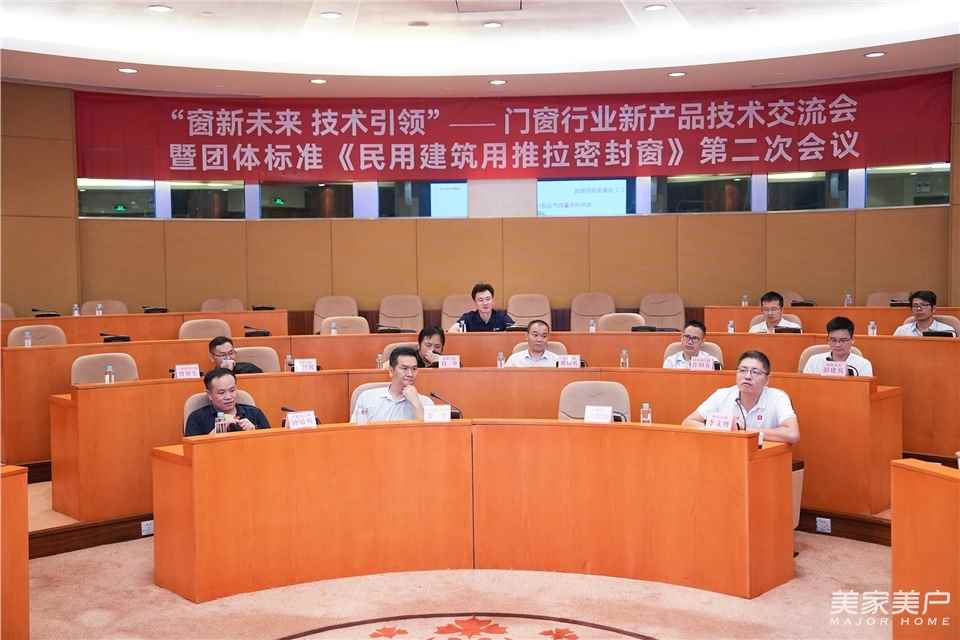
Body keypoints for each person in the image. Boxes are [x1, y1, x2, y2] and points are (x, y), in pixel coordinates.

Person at [682, 350, 799, 444]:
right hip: (726, 453)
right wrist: (716, 429)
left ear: (767, 380)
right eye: (743, 370)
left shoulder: (778, 398)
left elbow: (792, 434)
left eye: (755, 372)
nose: (747, 376)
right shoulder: (722, 394)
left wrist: (743, 430)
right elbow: (688, 422)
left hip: (763, 458)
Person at [351, 346, 434, 424]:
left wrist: (416, 403)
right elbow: (355, 430)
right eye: (404, 368)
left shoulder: (425, 402)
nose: (410, 374)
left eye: (414, 369)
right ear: (391, 371)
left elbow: (429, 432)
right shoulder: (367, 397)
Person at [184, 368, 270, 437]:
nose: (228, 397)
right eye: (221, 393)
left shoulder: (254, 413)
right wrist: (213, 435)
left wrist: (254, 431)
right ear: (209, 394)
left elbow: (270, 443)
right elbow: (192, 450)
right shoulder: (196, 418)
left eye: (232, 390)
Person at [803, 316, 874, 376]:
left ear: (852, 339)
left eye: (843, 340)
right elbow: (805, 385)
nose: (838, 344)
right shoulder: (814, 361)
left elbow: (864, 388)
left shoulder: (863, 365)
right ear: (828, 340)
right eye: (833, 340)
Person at [448, 283, 514, 332]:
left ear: (492, 300)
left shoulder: (501, 316)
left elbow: (516, 331)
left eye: (488, 299)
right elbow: (451, 331)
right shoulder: (468, 318)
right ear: (475, 302)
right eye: (481, 300)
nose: (485, 303)